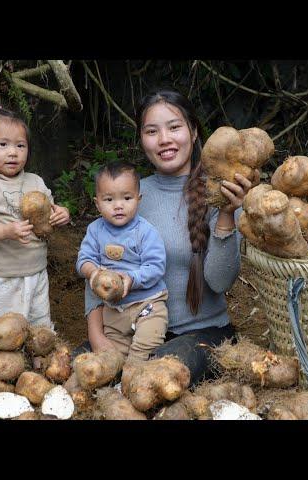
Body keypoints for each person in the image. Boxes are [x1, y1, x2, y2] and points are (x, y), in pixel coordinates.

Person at [78, 88, 252, 385]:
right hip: (131, 330)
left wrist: (226, 214)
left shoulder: (220, 194)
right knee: (78, 365)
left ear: (193, 132)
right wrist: (97, 337)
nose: (164, 140)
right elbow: (98, 269)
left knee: (156, 375)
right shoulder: (126, 197)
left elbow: (220, 282)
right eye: (151, 131)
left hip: (201, 336)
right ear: (142, 139)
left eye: (174, 127)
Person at [0, 107, 70, 365]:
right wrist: (5, 231)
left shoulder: (36, 182)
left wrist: (62, 215)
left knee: (40, 327)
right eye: (3, 144)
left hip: (37, 273)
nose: (13, 152)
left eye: (20, 145)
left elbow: (50, 213)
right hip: (2, 278)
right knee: (3, 331)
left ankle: (40, 369)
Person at [76, 161, 168, 361]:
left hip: (147, 304)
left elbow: (156, 266)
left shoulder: (145, 232)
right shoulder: (95, 230)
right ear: (97, 203)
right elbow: (84, 260)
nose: (118, 205)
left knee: (142, 350)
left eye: (127, 198)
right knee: (112, 357)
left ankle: (134, 372)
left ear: (138, 199)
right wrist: (93, 273)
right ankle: (119, 381)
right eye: (109, 199)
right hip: (114, 310)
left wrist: (131, 279)